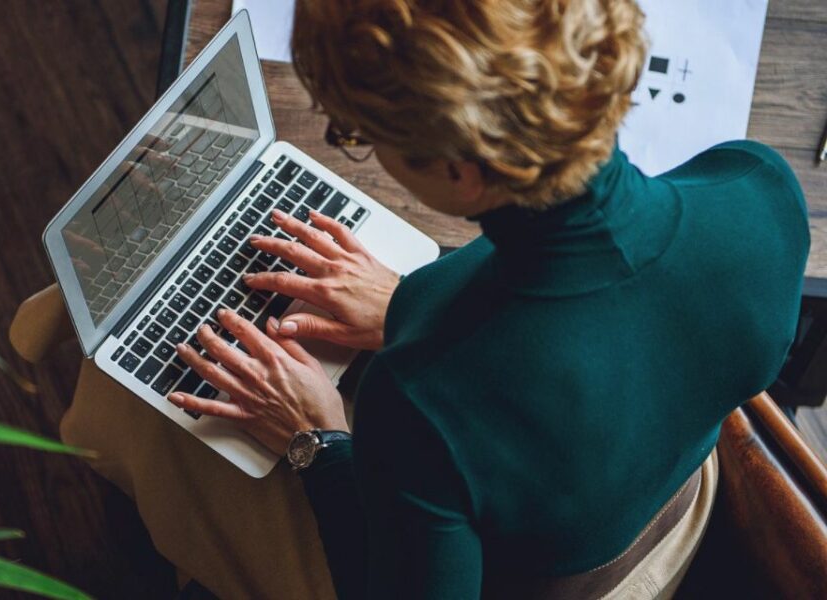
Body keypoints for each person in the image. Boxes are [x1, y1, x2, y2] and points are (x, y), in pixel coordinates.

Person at [47, 0, 808, 597]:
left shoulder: (427, 400)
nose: (362, 144)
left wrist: (319, 437)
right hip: (676, 498)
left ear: (460, 173)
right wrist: (417, 305)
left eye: (358, 131)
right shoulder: (758, 188)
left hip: (541, 581)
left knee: (120, 395)